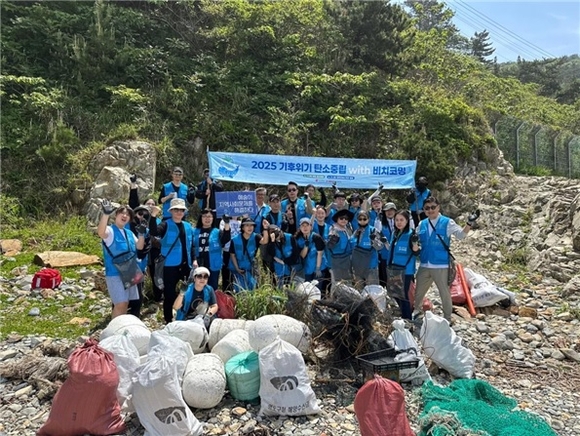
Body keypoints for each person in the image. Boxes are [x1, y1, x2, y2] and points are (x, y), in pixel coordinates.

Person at [413, 196, 480, 324]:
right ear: (424, 210)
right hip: (425, 263)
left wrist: (469, 223)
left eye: (433, 207)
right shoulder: (422, 224)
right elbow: (417, 240)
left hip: (441, 264)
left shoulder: (447, 222)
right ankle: (416, 311)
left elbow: (461, 235)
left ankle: (447, 318)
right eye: (427, 208)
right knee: (419, 290)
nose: (430, 210)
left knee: (444, 292)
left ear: (438, 207)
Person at [149, 198, 195, 323]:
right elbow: (153, 232)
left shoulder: (188, 226)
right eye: (176, 210)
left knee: (188, 292)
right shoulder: (165, 224)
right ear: (171, 211)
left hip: (186, 265)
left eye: (181, 210)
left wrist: (194, 260)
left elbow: (192, 245)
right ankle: (168, 320)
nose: (179, 212)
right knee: (169, 294)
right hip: (170, 266)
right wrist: (153, 216)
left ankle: (185, 316)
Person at [97, 201, 145, 319]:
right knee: (120, 304)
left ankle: (119, 327)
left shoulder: (129, 233)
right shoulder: (110, 231)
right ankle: (113, 328)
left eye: (128, 215)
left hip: (130, 272)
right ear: (116, 215)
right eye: (122, 213)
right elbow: (101, 232)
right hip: (114, 273)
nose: (125, 216)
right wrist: (105, 214)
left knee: (125, 303)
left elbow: (139, 246)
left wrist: (142, 234)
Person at [387, 210, 420, 320]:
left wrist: (415, 243)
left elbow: (416, 252)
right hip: (394, 268)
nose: (399, 222)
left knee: (403, 295)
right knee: (394, 293)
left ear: (407, 221)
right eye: (397, 220)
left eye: (402, 220)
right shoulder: (395, 233)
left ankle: (407, 319)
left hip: (406, 270)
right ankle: (403, 313)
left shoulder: (411, 234)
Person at [193, 209, 231, 291]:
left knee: (212, 288)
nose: (207, 219)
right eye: (204, 216)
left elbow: (226, 239)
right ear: (201, 218)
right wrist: (194, 259)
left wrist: (227, 223)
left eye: (209, 216)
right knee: (198, 287)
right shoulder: (194, 231)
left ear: (213, 218)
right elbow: (191, 247)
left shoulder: (217, 232)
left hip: (213, 264)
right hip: (198, 263)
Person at [229, 218, 266, 292]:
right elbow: (232, 255)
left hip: (250, 269)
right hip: (238, 269)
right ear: (242, 227)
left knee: (253, 288)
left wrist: (265, 228)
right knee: (240, 290)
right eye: (247, 225)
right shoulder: (234, 239)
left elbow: (265, 241)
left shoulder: (256, 237)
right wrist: (237, 268)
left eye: (251, 225)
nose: (250, 227)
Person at [350, 210, 384, 287]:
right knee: (359, 289)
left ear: (368, 219)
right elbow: (351, 246)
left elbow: (380, 246)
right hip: (358, 266)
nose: (362, 221)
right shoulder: (355, 232)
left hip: (371, 266)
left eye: (364, 219)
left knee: (372, 289)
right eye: (360, 219)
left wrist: (374, 241)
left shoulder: (374, 230)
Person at [261, 223, 300, 288]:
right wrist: (272, 241)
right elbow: (271, 254)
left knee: (291, 288)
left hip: (291, 267)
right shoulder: (270, 242)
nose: (276, 234)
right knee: (280, 288)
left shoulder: (289, 237)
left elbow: (296, 253)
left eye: (276, 232)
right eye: (272, 233)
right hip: (278, 271)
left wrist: (285, 262)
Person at [294, 217, 328, 289]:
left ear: (311, 227)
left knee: (317, 289)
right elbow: (301, 256)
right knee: (307, 289)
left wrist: (318, 268)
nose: (305, 228)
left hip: (318, 266)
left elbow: (320, 254)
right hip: (306, 268)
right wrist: (306, 246)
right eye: (303, 226)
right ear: (300, 227)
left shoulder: (316, 237)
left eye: (307, 225)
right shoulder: (297, 239)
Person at [326, 208, 354, 285]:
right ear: (337, 219)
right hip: (335, 261)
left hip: (346, 260)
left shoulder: (347, 229)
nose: (344, 220)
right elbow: (329, 246)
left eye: (346, 218)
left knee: (348, 283)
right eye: (341, 218)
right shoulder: (333, 229)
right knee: (336, 285)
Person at [378, 202, 397, 288]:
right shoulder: (380, 222)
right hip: (385, 254)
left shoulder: (400, 221)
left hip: (397, 254)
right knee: (386, 276)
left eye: (391, 210)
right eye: (387, 210)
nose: (389, 212)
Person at [220, 214, 240, 292]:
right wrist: (227, 221)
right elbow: (223, 234)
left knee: (238, 272)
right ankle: (227, 292)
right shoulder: (223, 221)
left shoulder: (241, 222)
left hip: (238, 251)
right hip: (227, 251)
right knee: (227, 273)